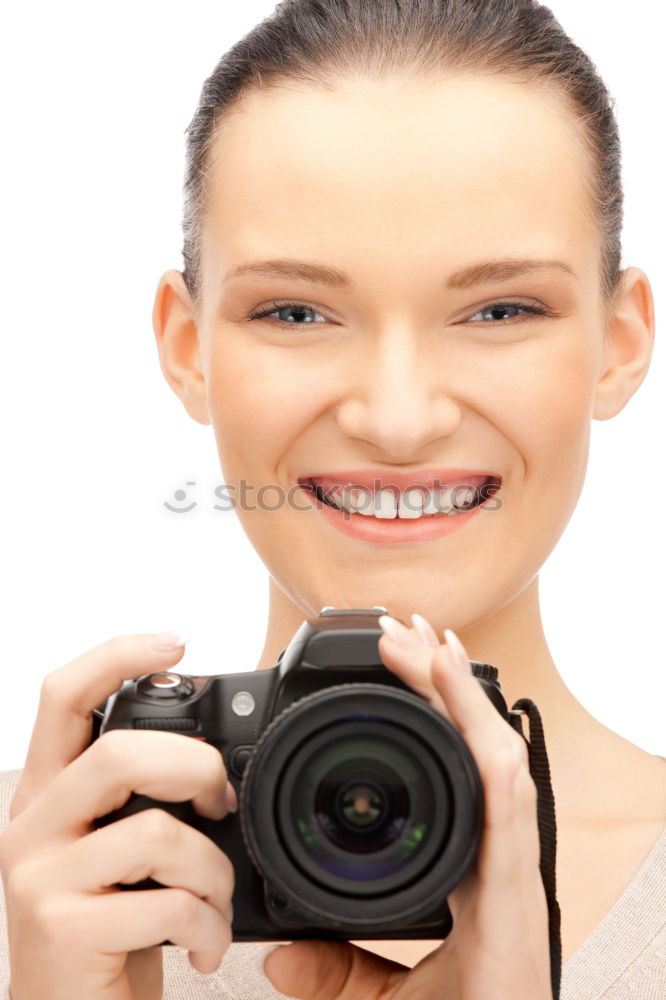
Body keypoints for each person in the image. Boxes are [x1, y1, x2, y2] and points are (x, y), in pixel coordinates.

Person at [1, 0, 664, 997]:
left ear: (619, 346)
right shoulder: (43, 880)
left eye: (500, 308)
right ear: (189, 350)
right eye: (298, 310)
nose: (398, 421)